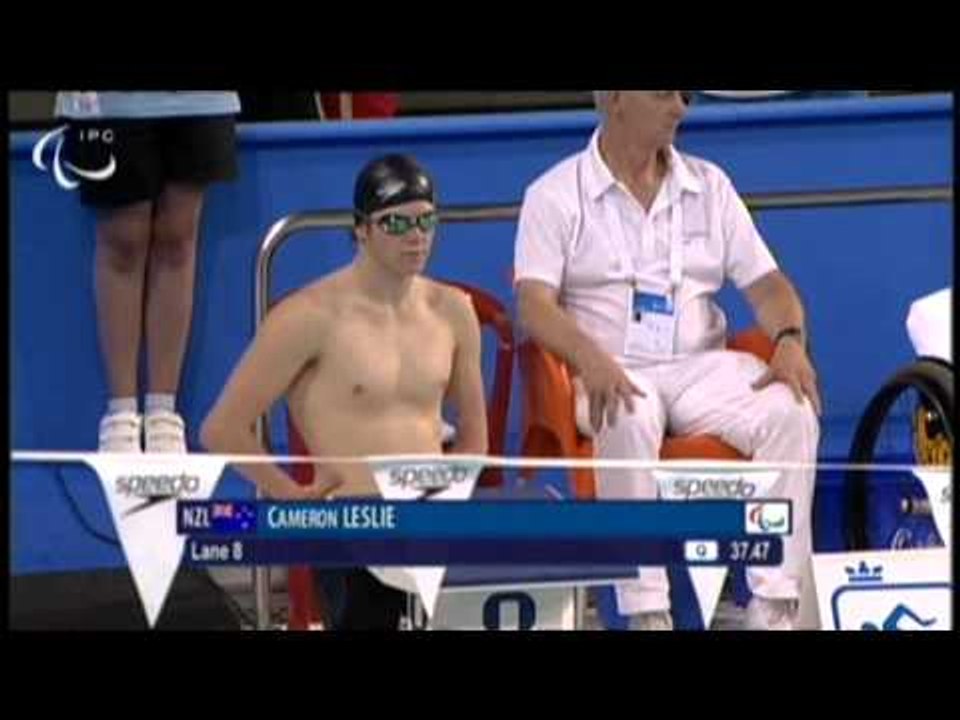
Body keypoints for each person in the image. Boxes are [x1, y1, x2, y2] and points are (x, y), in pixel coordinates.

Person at [514, 91, 821, 631]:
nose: (679, 108)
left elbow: (768, 284)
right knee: (627, 414)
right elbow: (534, 304)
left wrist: (791, 338)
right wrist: (589, 357)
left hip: (700, 365)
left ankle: (775, 608)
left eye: (683, 94)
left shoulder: (710, 185)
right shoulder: (556, 194)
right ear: (611, 97)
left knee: (791, 410)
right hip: (611, 365)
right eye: (662, 94)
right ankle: (646, 612)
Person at [201, 154, 488, 628]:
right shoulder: (308, 317)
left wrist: (451, 504)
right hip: (351, 529)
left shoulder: (454, 310)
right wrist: (289, 496)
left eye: (426, 221)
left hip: (432, 523)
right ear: (361, 229)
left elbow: (476, 440)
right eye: (396, 222)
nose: (415, 235)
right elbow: (222, 428)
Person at [56, 91, 241, 454]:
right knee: (122, 238)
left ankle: (163, 412)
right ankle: (121, 413)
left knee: (178, 235)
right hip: (106, 104)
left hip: (199, 103)